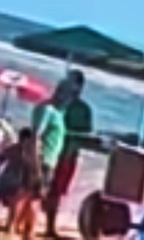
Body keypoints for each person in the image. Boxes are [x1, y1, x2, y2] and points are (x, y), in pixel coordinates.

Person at [44, 69, 91, 238]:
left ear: (78, 86)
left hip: (68, 154)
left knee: (57, 190)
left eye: (71, 81)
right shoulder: (56, 103)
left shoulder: (83, 109)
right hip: (50, 151)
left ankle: (49, 225)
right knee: (41, 187)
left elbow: (86, 133)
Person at [0, 127, 42, 239]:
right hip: (18, 181)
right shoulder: (30, 152)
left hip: (6, 180)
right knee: (17, 204)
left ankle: (10, 225)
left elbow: (1, 159)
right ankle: (12, 226)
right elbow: (33, 169)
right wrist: (37, 182)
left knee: (13, 205)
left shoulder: (12, 149)